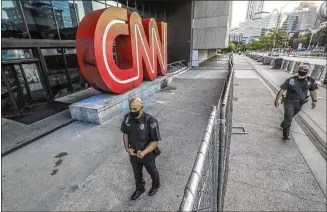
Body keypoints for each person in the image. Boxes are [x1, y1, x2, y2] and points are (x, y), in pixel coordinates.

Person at [120, 97, 161, 200]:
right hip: (133, 153)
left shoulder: (150, 120)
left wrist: (144, 152)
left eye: (135, 109)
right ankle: (140, 188)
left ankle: (156, 185)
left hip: (147, 154)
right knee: (136, 173)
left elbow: (155, 141)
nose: (132, 111)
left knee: (152, 171)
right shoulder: (127, 118)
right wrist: (127, 149)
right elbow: (125, 134)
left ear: (141, 107)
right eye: (130, 108)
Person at [274, 65, 318, 140]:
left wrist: (314, 100)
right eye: (301, 70)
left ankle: (283, 124)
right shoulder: (291, 80)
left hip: (300, 103)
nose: (302, 72)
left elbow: (313, 91)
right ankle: (285, 135)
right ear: (298, 70)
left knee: (289, 117)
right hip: (289, 102)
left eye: (305, 71)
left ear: (307, 72)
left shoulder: (310, 80)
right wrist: (277, 99)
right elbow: (282, 90)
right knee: (288, 118)